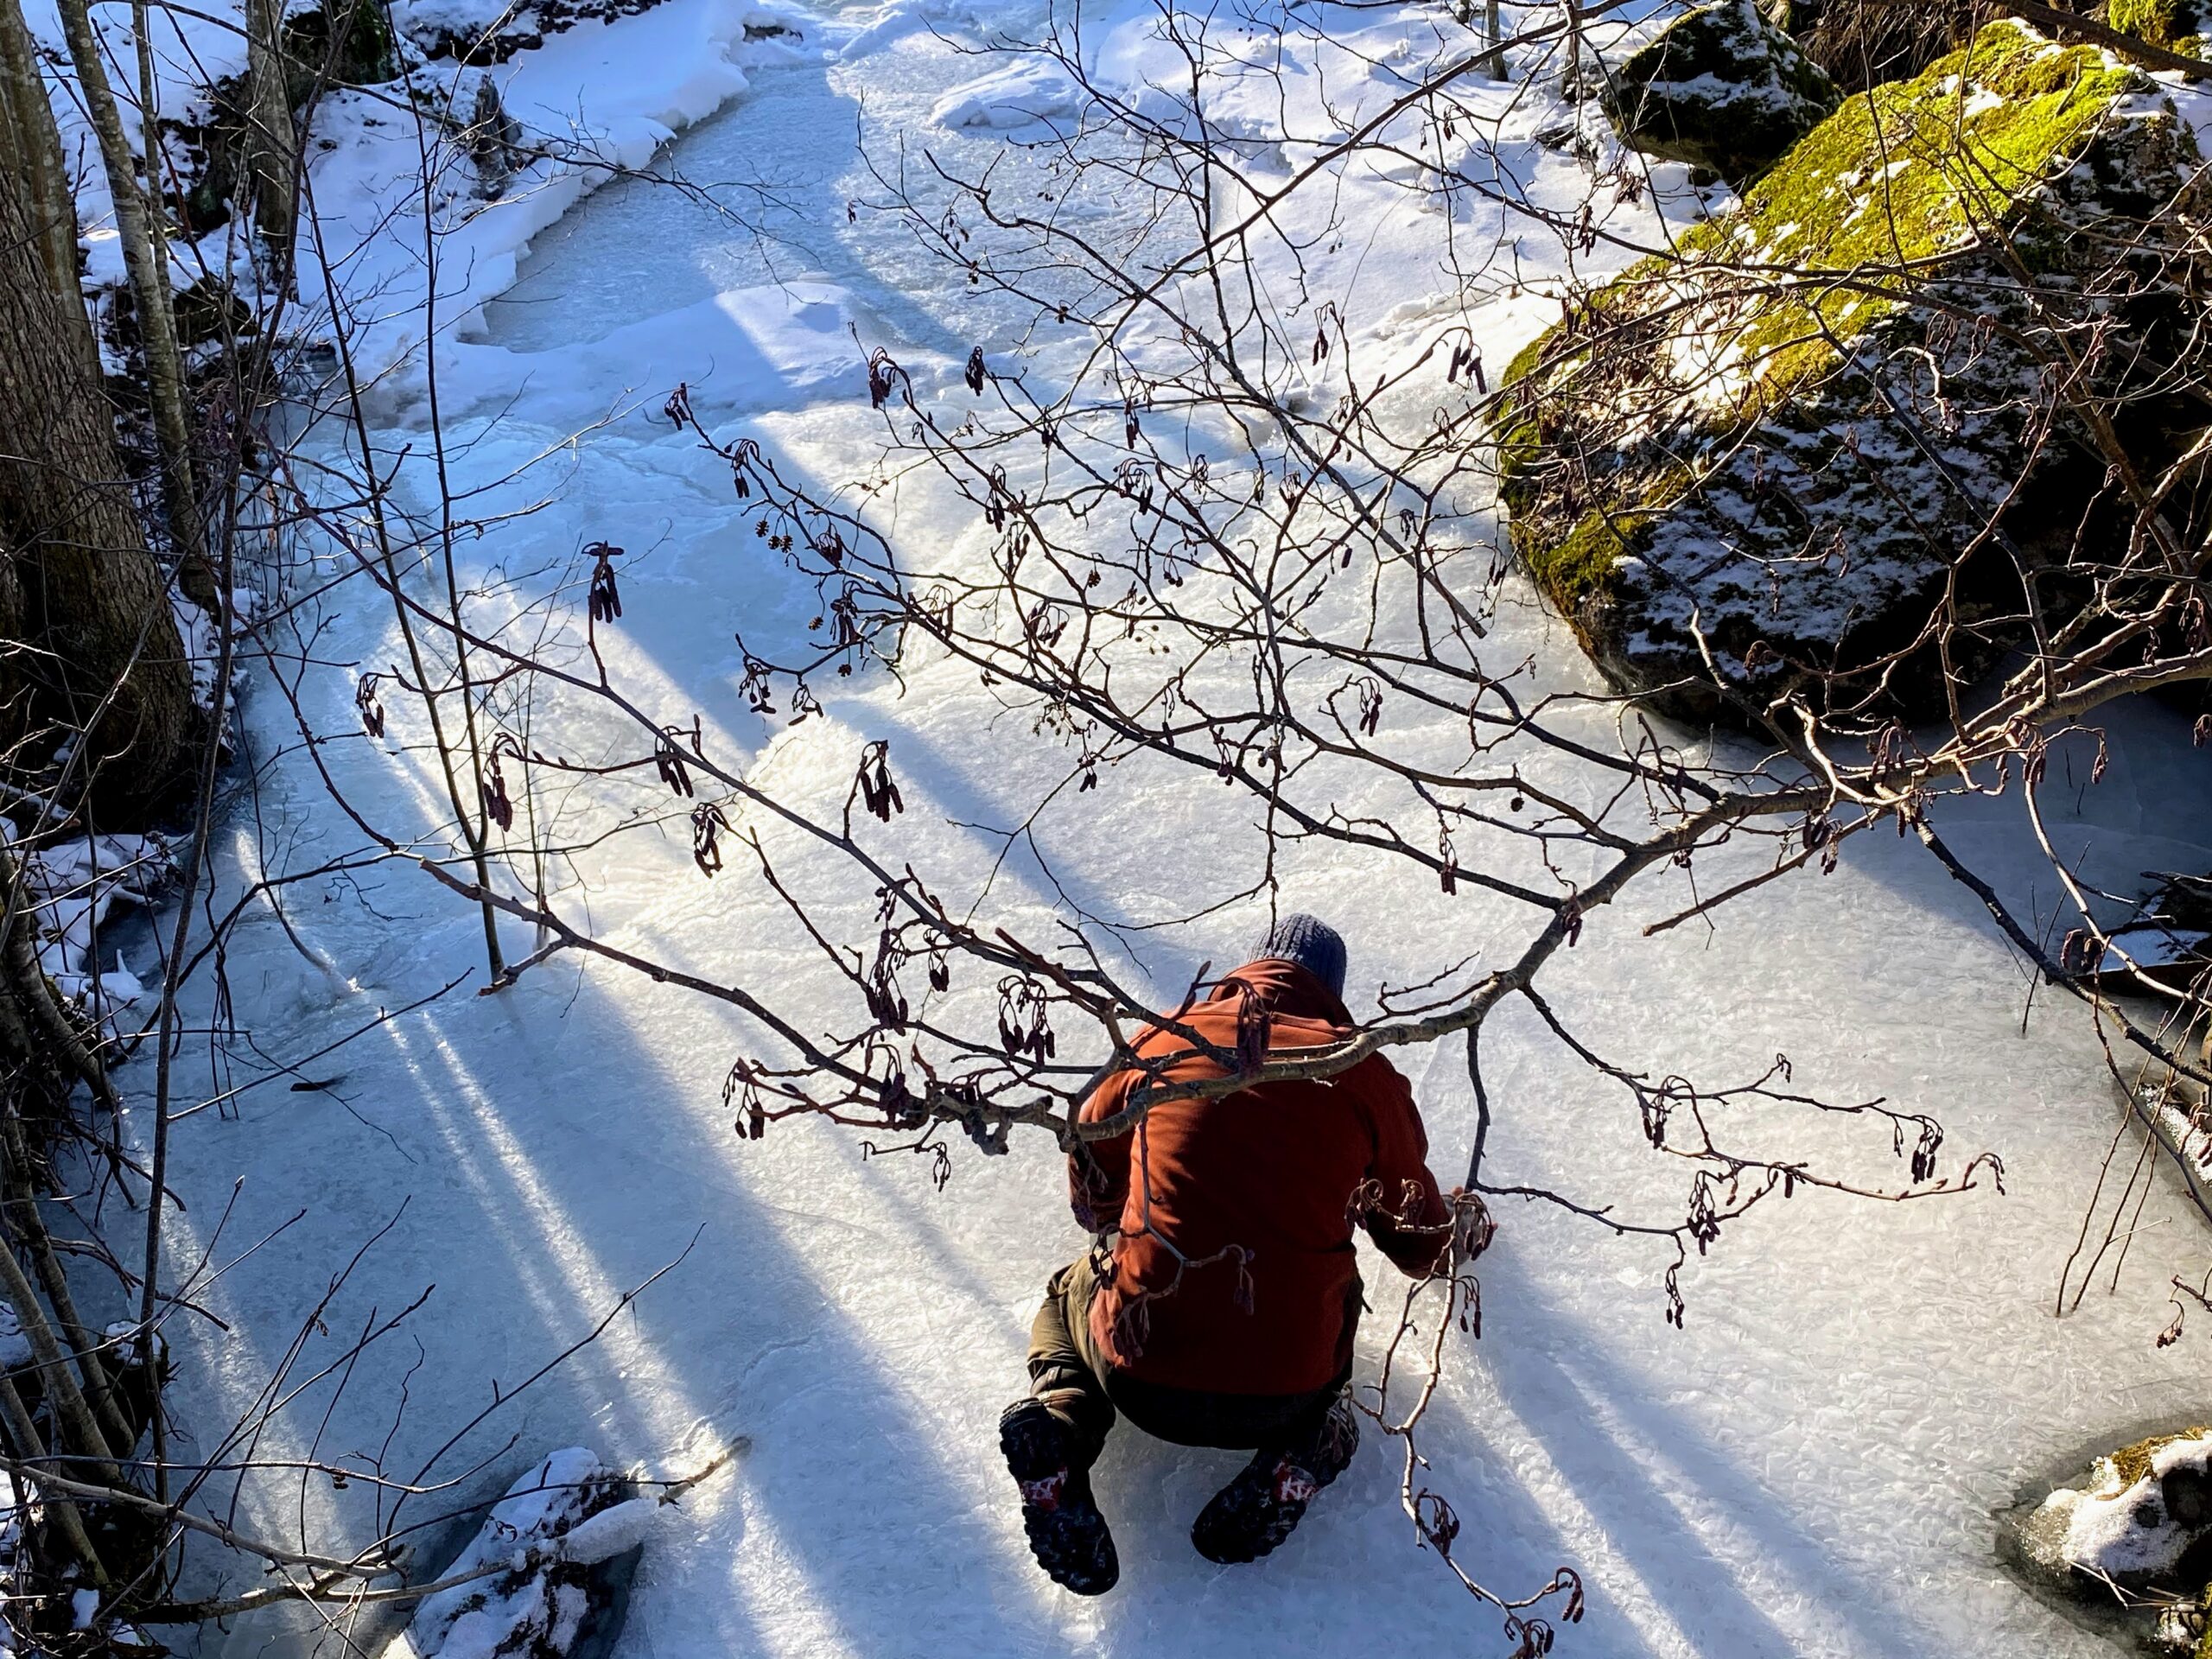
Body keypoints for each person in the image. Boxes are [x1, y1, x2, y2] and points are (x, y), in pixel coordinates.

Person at [999, 914, 1461, 1594]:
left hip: (1140, 1380)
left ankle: (1063, 1422)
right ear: (1329, 993)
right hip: (1286, 1389)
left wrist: (1126, 1210)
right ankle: (1307, 1444)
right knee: (1336, 1284)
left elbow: (1092, 1185)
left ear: (1245, 974)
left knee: (1070, 1288)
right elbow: (1422, 1247)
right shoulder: (1359, 1072)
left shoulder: (1165, 1039)